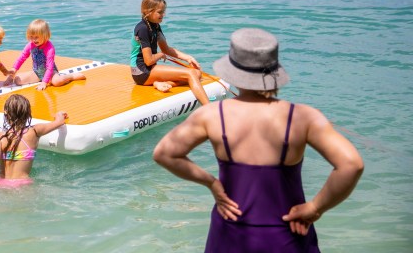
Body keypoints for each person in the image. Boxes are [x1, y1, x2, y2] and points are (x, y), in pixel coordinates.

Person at [153, 28, 364, 252]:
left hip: (230, 234)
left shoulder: (213, 115)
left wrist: (211, 183)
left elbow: (164, 153)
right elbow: (351, 165)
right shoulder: (303, 117)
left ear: (234, 71)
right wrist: (315, 208)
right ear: (274, 71)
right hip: (289, 233)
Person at [130, 0, 210, 104]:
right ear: (148, 11)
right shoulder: (142, 29)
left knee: (197, 73)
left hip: (150, 70)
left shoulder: (155, 25)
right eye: (160, 12)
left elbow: (166, 49)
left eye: (163, 11)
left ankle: (157, 83)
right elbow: (148, 61)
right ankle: (210, 108)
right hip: (141, 72)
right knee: (191, 74)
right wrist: (160, 55)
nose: (163, 15)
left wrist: (188, 58)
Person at [0, 93, 67, 185]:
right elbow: (59, 122)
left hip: (0, 184)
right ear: (28, 114)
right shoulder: (34, 132)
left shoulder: (0, 137)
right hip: (23, 184)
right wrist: (59, 115)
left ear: (6, 113)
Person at [6, 19, 86, 90]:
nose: (33, 40)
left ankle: (71, 76)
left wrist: (44, 82)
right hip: (37, 72)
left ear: (44, 35)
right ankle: (43, 79)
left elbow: (49, 67)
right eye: (31, 37)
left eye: (36, 37)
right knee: (17, 80)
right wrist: (11, 76)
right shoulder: (30, 45)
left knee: (57, 82)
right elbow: (21, 58)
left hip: (51, 72)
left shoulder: (49, 48)